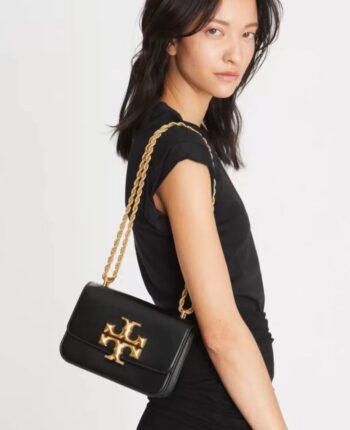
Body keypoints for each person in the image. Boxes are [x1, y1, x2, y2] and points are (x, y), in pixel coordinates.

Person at [110, 0, 287, 428]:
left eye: (248, 34)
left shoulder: (166, 137)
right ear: (171, 38)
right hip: (206, 410)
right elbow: (221, 331)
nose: (235, 53)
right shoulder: (181, 155)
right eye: (214, 31)